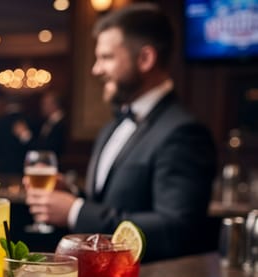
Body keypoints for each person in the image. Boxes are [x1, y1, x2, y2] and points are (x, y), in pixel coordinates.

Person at [25, 3, 217, 262]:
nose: (96, 69)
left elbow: (177, 229)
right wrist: (71, 196)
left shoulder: (184, 132)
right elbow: (112, 206)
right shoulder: (111, 127)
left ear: (145, 59)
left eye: (106, 57)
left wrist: (76, 211)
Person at [14, 90, 68, 160]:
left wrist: (25, 134)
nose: (42, 106)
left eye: (44, 103)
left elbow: (47, 149)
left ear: (55, 104)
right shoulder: (47, 122)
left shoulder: (62, 124)